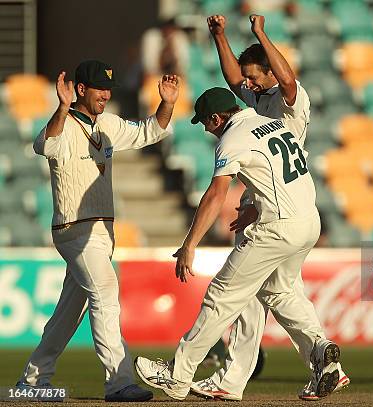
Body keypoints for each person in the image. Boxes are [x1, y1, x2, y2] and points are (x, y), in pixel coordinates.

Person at [134, 87, 341, 401]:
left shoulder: (233, 138)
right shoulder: (272, 124)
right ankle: (323, 356)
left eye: (206, 123)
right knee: (278, 291)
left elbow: (216, 195)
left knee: (221, 295)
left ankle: (177, 374)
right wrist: (257, 206)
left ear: (217, 118)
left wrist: (190, 243)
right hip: (309, 222)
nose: (207, 130)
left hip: (277, 228)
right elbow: (285, 178)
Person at [190, 14, 348, 401]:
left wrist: (261, 32)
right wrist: (220, 36)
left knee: (247, 291)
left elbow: (289, 81)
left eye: (255, 75)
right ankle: (325, 359)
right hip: (272, 198)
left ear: (270, 71)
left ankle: (231, 378)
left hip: (278, 202)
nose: (248, 82)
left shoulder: (291, 99)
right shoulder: (256, 98)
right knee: (280, 290)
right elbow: (231, 82)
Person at [17, 60, 179, 402]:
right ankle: (119, 382)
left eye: (109, 89)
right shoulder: (64, 124)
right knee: (105, 293)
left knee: (68, 313)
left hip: (102, 233)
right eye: (99, 89)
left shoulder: (107, 125)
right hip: (74, 229)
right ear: (80, 90)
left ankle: (33, 380)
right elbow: (44, 145)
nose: (106, 94)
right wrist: (60, 108)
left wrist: (167, 103)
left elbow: (150, 131)